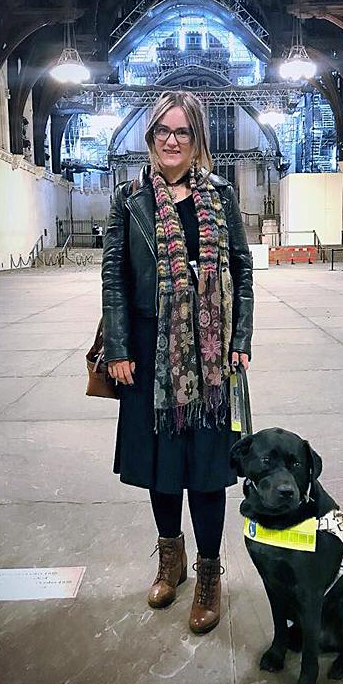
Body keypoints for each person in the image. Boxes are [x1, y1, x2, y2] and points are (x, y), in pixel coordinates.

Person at [101, 90, 253, 634]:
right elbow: (114, 278)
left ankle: (209, 572)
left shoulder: (221, 195)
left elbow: (243, 266)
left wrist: (241, 336)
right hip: (148, 353)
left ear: (197, 141)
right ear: (149, 137)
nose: (171, 139)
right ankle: (171, 560)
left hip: (210, 360)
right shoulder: (129, 199)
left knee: (208, 473)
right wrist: (117, 348)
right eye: (162, 131)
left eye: (182, 132)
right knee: (161, 471)